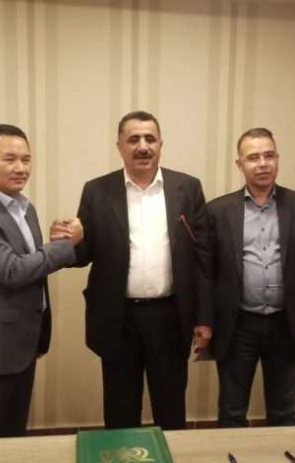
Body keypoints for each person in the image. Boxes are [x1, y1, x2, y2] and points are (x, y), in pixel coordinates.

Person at [67, 110, 212, 430]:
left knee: (171, 410)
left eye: (150, 139)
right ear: (119, 146)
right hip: (118, 319)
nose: (143, 146)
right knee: (120, 412)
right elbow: (83, 255)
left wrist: (203, 318)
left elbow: (202, 259)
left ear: (161, 144)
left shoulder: (187, 188)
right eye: (133, 139)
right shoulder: (97, 191)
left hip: (171, 317)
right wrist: (71, 242)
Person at [0, 124, 83, 438]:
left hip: (22, 345)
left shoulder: (25, 209)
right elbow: (13, 271)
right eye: (9, 159)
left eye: (26, 159)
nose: (21, 168)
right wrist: (67, 246)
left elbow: (31, 262)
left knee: (12, 441)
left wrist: (54, 241)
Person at [206, 127, 295, 427]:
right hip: (237, 325)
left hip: (287, 324)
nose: (263, 163)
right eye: (253, 157)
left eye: (269, 155)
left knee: (283, 411)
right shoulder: (218, 211)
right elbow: (206, 274)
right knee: (232, 410)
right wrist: (205, 322)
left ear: (277, 159)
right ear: (240, 164)